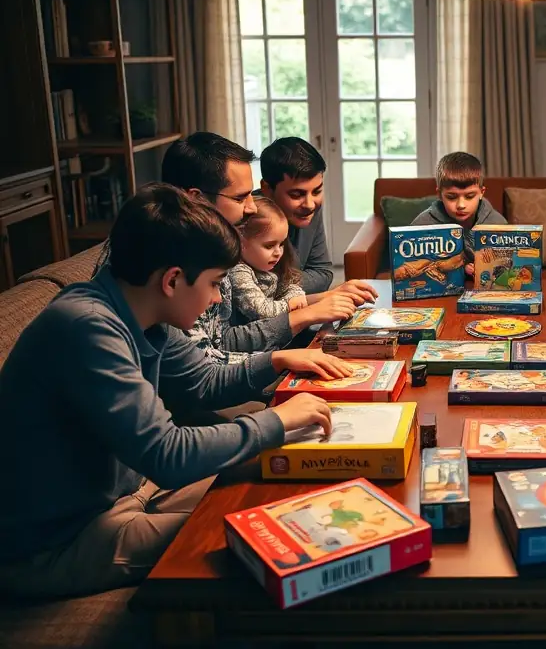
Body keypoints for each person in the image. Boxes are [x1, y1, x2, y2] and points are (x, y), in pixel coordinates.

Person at [0, 184, 352, 597]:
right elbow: (167, 454)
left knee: (296, 478)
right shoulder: (88, 328)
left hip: (131, 491)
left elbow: (202, 382)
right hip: (59, 541)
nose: (217, 298)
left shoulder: (141, 312)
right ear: (172, 280)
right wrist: (274, 419)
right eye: (215, 283)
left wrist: (274, 361)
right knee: (282, 530)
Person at [97, 132, 374, 363]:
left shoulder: (210, 242)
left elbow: (216, 342)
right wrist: (291, 338)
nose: (252, 207)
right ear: (196, 198)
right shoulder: (166, 253)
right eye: (241, 197)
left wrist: (320, 301)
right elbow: (209, 360)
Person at [258, 137, 335, 295]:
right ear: (267, 189)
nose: (310, 204)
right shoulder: (251, 218)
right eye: (296, 194)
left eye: (317, 191)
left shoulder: (309, 209)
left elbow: (323, 274)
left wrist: (277, 283)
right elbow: (253, 291)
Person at [411, 151, 506, 278]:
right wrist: (461, 269)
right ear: (439, 194)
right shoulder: (422, 225)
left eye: (469, 196)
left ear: (481, 192)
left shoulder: (497, 223)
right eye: (451, 197)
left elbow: (506, 264)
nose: (461, 205)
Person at [229, 196, 308, 322]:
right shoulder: (238, 272)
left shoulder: (264, 264)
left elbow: (289, 287)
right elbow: (261, 311)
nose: (278, 252)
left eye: (281, 244)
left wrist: (295, 295)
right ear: (241, 242)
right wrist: (289, 304)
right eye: (269, 246)